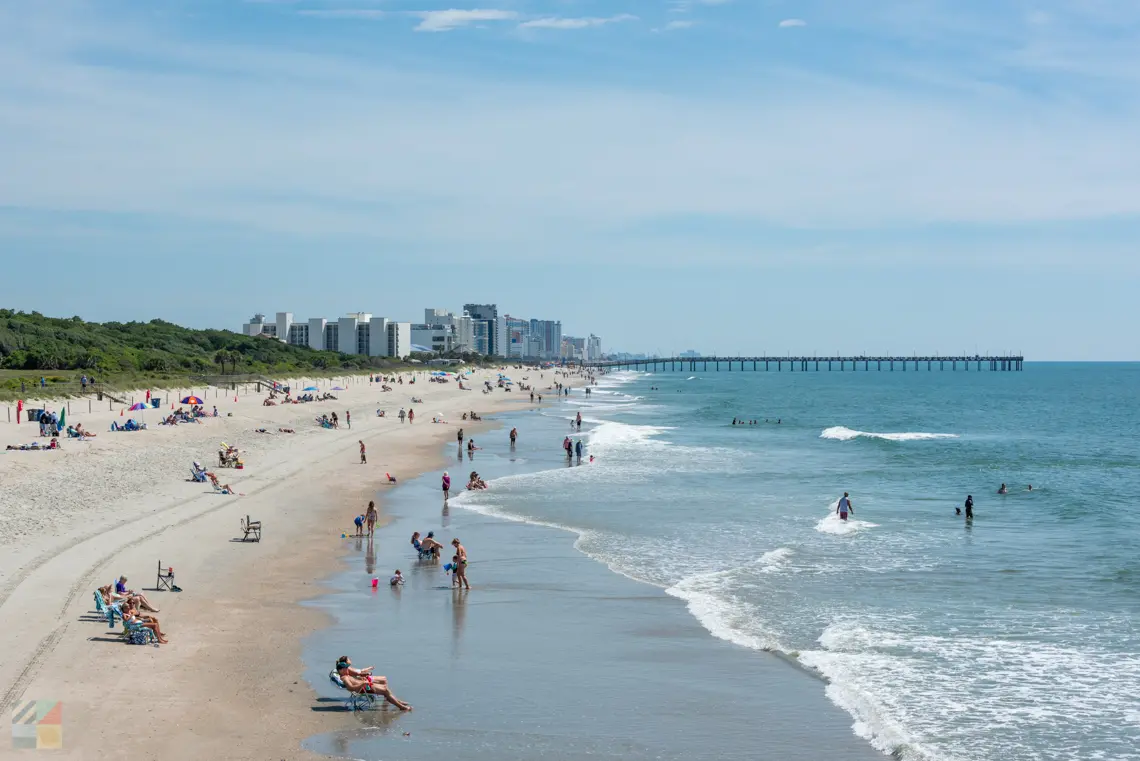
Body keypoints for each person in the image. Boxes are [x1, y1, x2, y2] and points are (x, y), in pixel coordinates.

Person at [335, 656, 411, 711]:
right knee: (385, 690)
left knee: (385, 688)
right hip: (363, 688)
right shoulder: (345, 678)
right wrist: (362, 683)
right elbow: (350, 687)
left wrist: (361, 679)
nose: (347, 669)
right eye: (345, 668)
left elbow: (354, 681)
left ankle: (398, 702)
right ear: (341, 670)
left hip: (365, 686)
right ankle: (401, 706)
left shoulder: (346, 675)